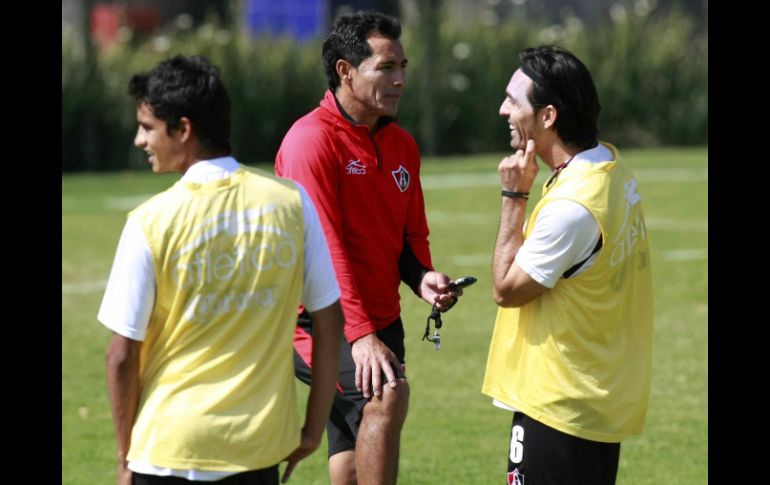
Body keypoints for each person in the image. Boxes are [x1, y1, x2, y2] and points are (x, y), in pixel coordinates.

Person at [99, 54, 344, 485]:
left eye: (148, 127)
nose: (140, 140)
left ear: (184, 129)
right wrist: (311, 427)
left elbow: (121, 355)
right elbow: (329, 321)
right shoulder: (291, 203)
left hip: (167, 449)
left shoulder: (150, 221)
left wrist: (125, 458)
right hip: (258, 448)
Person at [275, 11, 460, 485]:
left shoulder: (402, 145)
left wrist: (424, 279)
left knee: (354, 452)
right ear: (345, 71)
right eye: (386, 68)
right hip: (317, 321)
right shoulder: (310, 142)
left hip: (380, 320)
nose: (399, 80)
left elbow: (409, 239)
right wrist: (360, 338)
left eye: (402, 67)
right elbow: (326, 250)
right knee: (386, 396)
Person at [482, 45, 653, 485]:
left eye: (514, 101)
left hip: (558, 405)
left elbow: (505, 288)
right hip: (595, 398)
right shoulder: (612, 170)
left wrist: (514, 197)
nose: (503, 110)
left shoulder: (574, 206)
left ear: (548, 116)